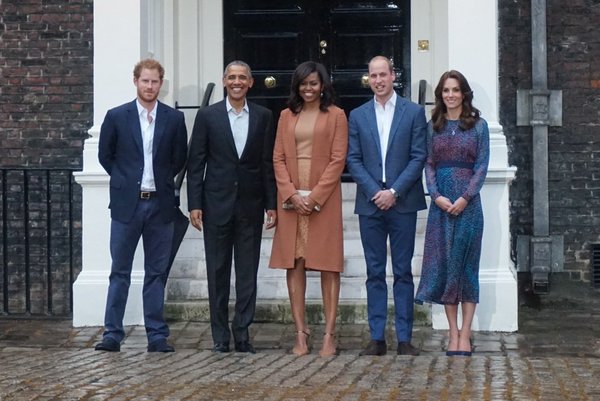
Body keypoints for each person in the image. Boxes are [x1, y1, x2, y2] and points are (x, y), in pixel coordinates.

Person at [95, 59, 188, 353]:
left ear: (162, 84)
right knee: (119, 271)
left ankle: (156, 335)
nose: (150, 86)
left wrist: (159, 181)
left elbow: (179, 158)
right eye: (145, 81)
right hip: (127, 206)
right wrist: (125, 180)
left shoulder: (174, 119)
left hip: (159, 205)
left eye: (155, 81)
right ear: (135, 81)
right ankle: (112, 333)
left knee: (157, 272)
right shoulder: (116, 116)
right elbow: (105, 155)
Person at [186, 60, 277, 354]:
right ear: (224, 81)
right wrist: (194, 204)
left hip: (251, 206)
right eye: (232, 77)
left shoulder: (263, 116)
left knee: (248, 273)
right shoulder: (208, 116)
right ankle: (220, 336)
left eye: (242, 78)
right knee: (217, 272)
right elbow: (196, 163)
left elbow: (266, 163)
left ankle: (243, 332)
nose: (237, 82)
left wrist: (271, 204)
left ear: (250, 83)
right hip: (216, 205)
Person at [346, 56, 427, 356]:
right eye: (373, 76)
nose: (378, 80)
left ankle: (405, 337)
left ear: (394, 76)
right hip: (370, 205)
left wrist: (393, 191)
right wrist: (374, 191)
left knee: (403, 271)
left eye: (383, 74)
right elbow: (352, 159)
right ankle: (377, 336)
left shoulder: (413, 112)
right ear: (368, 79)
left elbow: (418, 156)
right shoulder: (357, 115)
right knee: (374, 271)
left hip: (402, 202)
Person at [269, 61, 348, 357]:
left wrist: (314, 197)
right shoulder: (286, 116)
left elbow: (338, 159)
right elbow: (277, 158)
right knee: (295, 261)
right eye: (303, 83)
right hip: (291, 199)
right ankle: (300, 332)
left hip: (322, 198)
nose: (308, 88)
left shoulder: (337, 115)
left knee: (327, 264)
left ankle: (329, 333)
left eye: (313, 83)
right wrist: (290, 193)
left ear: (323, 85)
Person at [415, 70, 490, 357]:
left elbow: (482, 166)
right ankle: (453, 333)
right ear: (440, 95)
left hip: (469, 206)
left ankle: (467, 333)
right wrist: (436, 196)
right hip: (441, 206)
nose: (450, 95)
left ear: (464, 93)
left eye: (455, 90)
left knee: (467, 268)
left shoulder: (479, 126)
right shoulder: (433, 126)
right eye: (446, 90)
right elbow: (429, 165)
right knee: (446, 267)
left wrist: (465, 197)